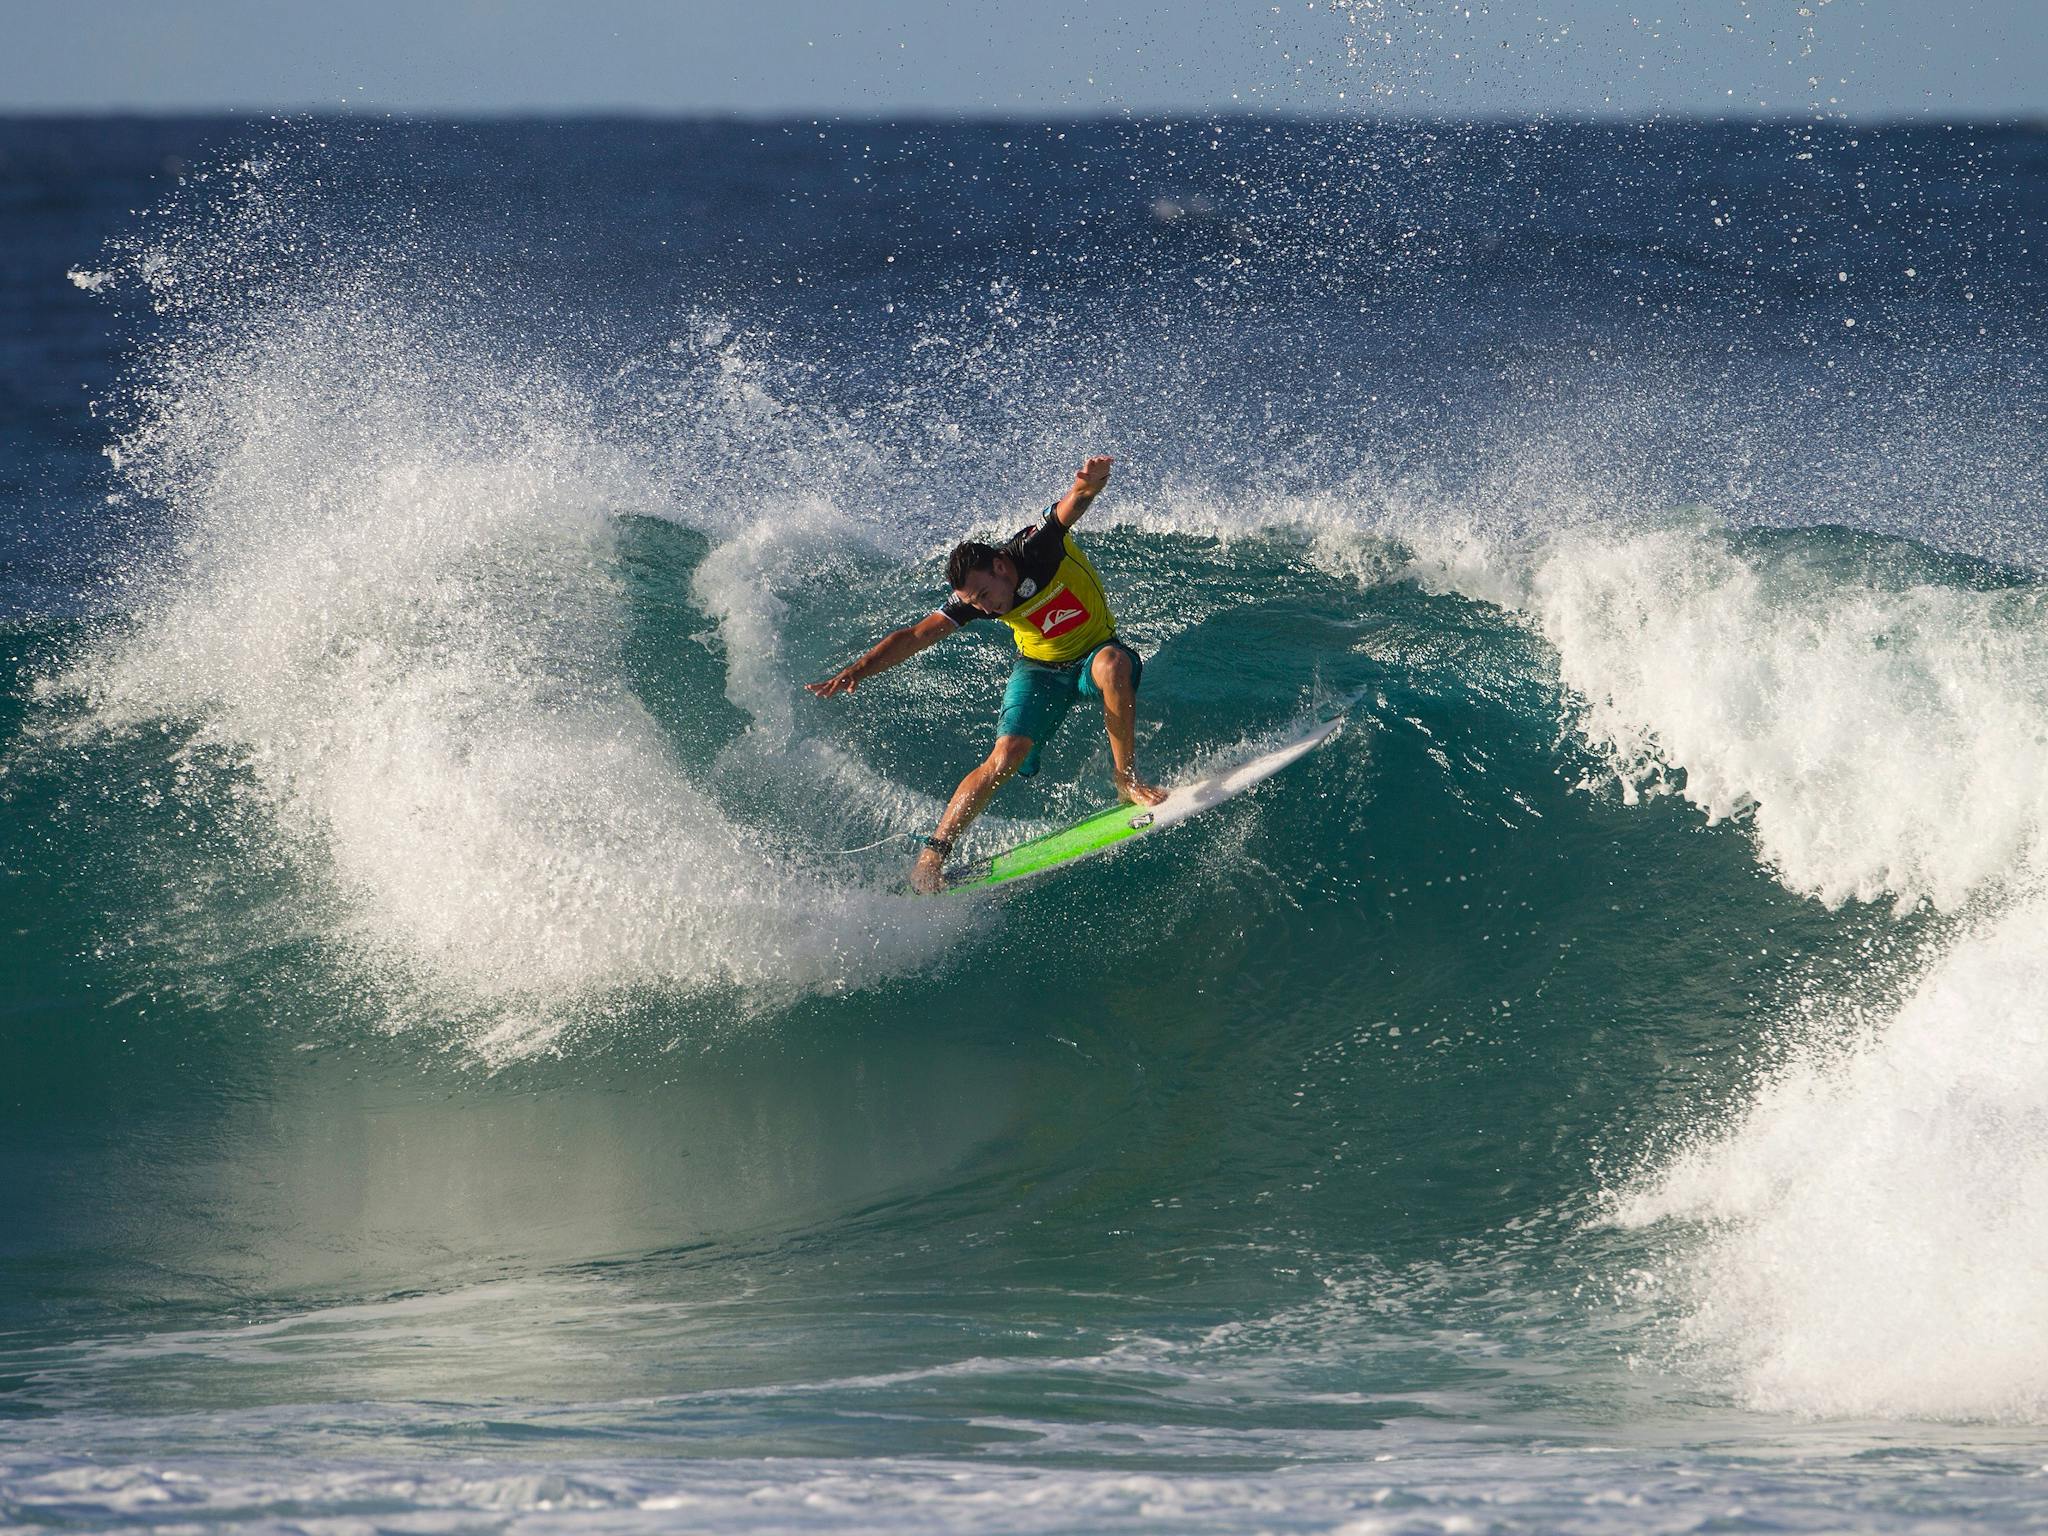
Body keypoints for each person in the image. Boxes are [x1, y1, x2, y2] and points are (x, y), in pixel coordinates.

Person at [807, 454, 1166, 893]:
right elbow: (916, 635)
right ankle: (932, 855)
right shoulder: (976, 598)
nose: (982, 607)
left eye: (982, 595)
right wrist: (860, 669)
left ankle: (1125, 781)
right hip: (1041, 670)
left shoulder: (1038, 550)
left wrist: (1091, 483)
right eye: (972, 601)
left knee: (1114, 664)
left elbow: (1073, 503)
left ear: (1000, 566)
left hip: (1094, 655)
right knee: (1006, 754)